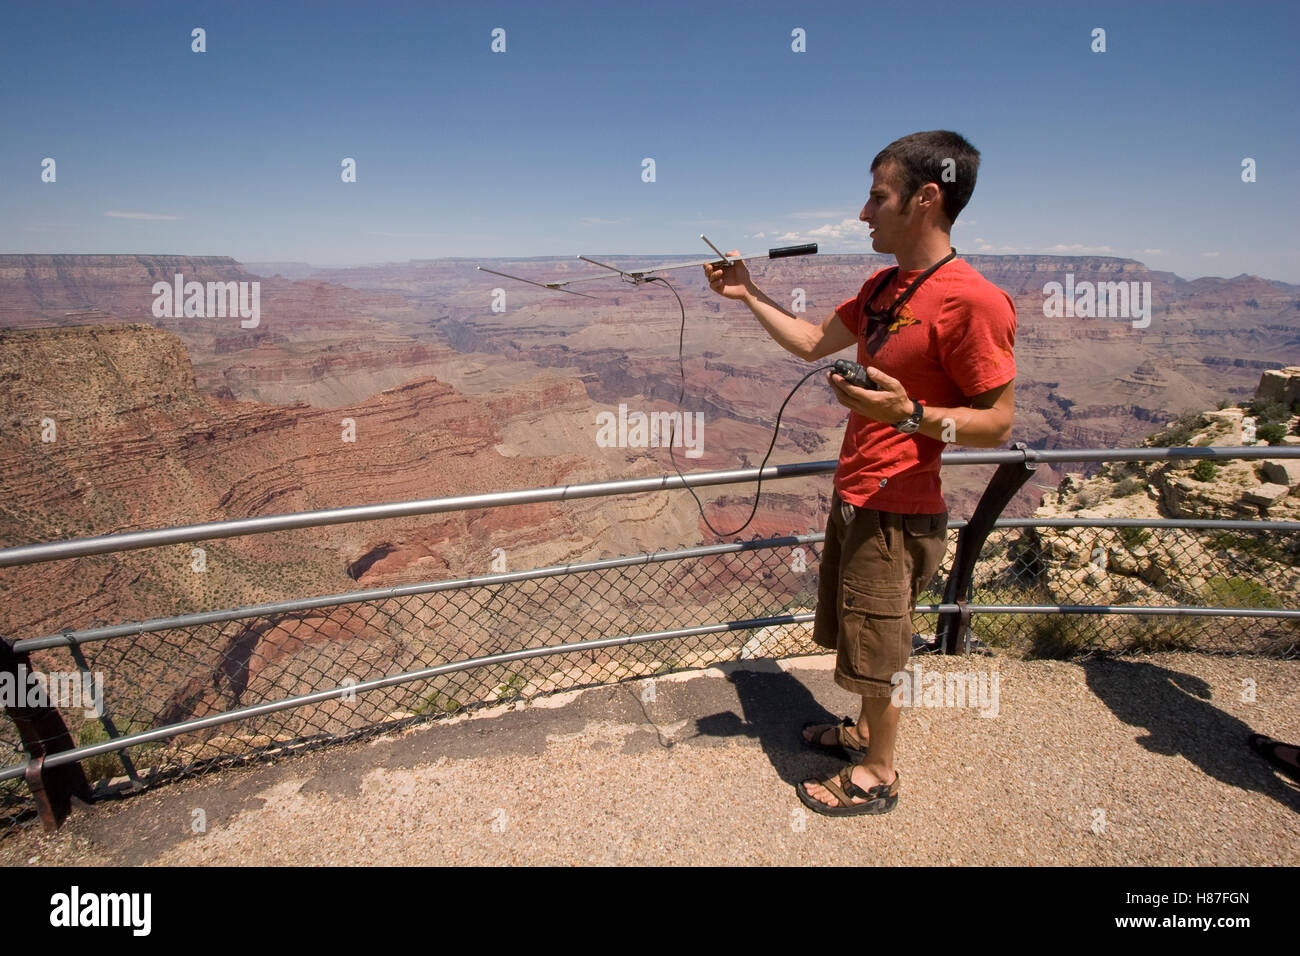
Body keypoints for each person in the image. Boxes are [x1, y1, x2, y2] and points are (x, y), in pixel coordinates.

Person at [703, 130, 1016, 815]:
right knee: (859, 628)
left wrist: (911, 415)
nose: (863, 212)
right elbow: (813, 342)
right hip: (855, 491)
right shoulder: (883, 288)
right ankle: (865, 731)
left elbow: (997, 423)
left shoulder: (974, 300)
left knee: (882, 642)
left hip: (900, 505)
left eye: (878, 196)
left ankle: (879, 773)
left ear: (926, 198)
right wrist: (749, 293)